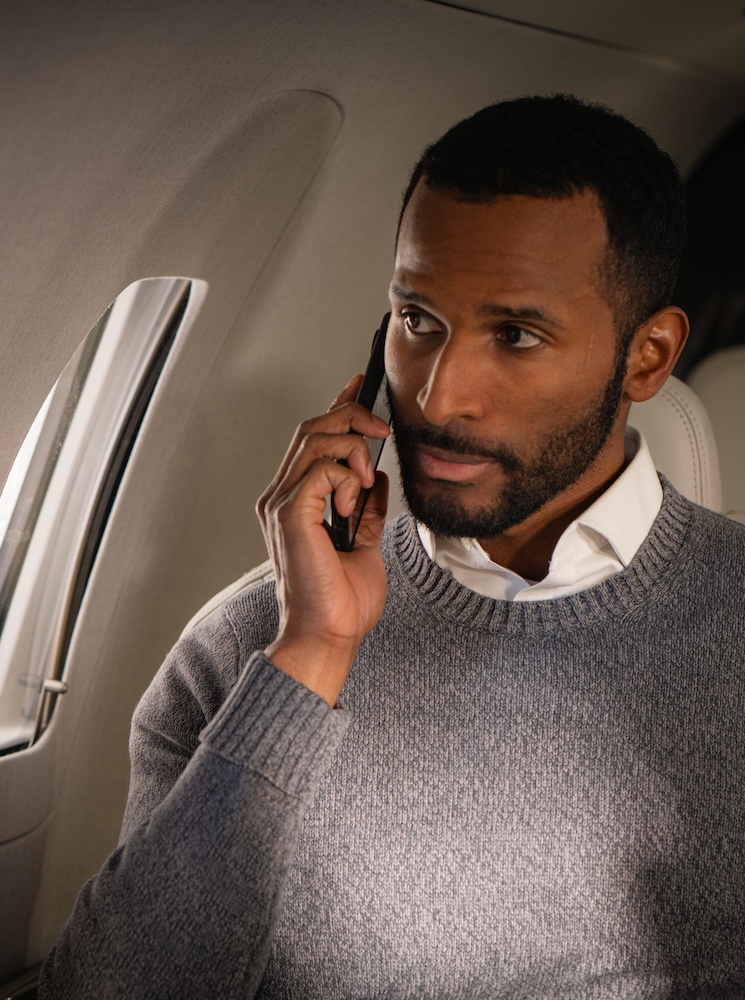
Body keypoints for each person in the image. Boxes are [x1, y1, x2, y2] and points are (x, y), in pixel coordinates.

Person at [40, 94, 744, 999]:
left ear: (646, 358)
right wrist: (311, 657)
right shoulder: (246, 643)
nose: (440, 395)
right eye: (416, 322)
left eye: (516, 335)